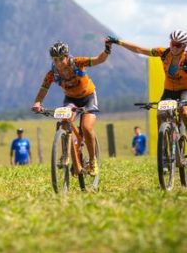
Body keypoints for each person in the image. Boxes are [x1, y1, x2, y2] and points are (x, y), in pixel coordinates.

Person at [32, 39, 112, 176]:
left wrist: (107, 49)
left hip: (88, 97)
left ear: (67, 56)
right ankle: (72, 160)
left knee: (86, 127)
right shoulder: (52, 73)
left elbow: (99, 60)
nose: (58, 63)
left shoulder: (77, 62)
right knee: (64, 122)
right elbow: (44, 88)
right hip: (71, 100)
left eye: (61, 59)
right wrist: (38, 102)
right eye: (55, 59)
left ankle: (93, 161)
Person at [107, 30, 187, 130]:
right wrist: (119, 42)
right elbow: (139, 49)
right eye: (172, 44)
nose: (174, 47)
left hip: (185, 90)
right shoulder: (164, 53)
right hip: (169, 90)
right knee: (160, 115)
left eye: (178, 45)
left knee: (184, 111)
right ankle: (163, 142)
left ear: (184, 46)